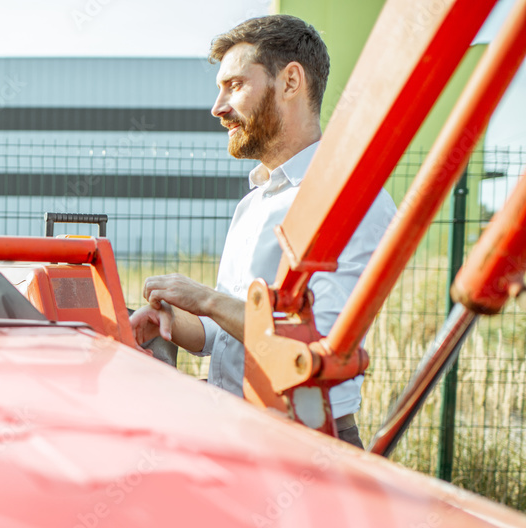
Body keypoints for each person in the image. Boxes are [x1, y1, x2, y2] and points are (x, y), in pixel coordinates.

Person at [129, 15, 395, 448]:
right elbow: (221, 334)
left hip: (307, 442)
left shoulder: (351, 200)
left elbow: (319, 345)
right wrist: (176, 321)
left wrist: (208, 300)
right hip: (235, 433)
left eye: (234, 85)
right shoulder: (253, 204)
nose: (217, 107)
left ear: (290, 81)